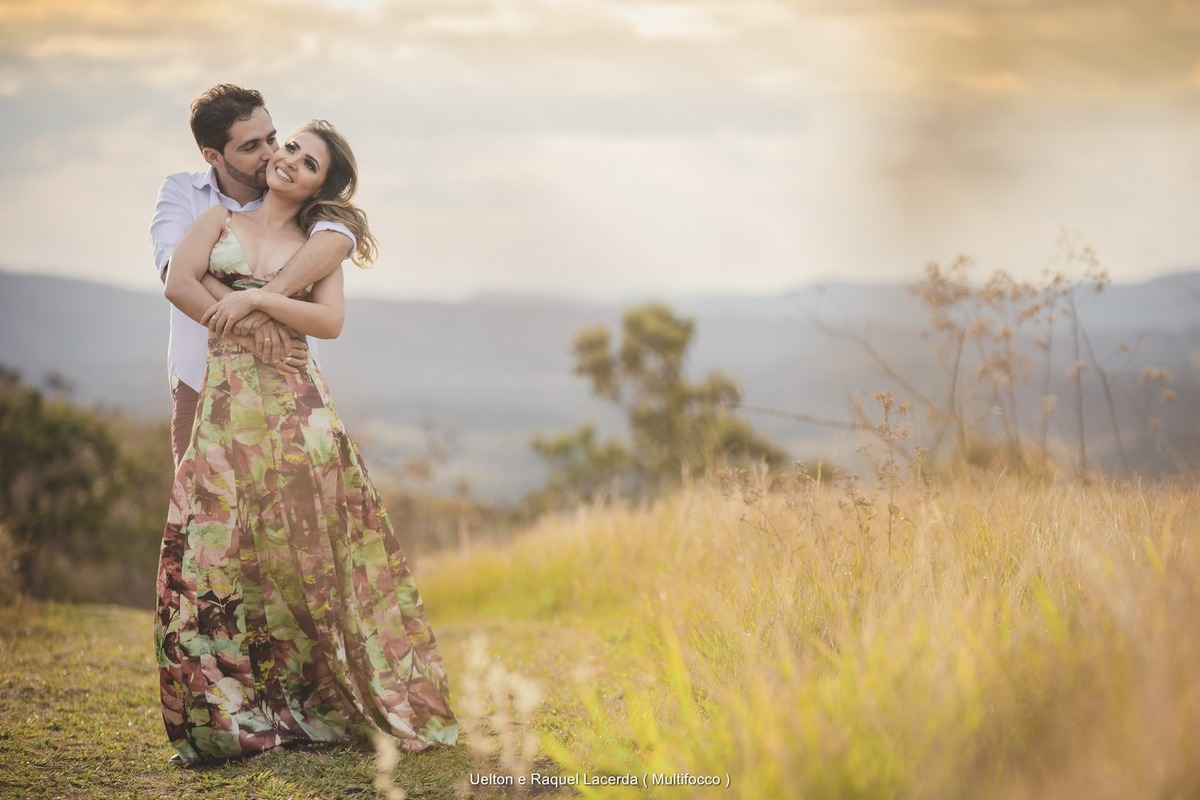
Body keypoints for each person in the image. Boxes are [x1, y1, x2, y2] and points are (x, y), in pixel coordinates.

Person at [155, 119, 458, 765]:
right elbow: (177, 282)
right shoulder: (217, 222)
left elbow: (330, 321)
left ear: (324, 185)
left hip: (300, 413)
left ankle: (313, 703)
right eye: (288, 146)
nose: (288, 159)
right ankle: (225, 716)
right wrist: (242, 326)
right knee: (216, 552)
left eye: (309, 161)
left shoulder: (316, 242)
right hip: (230, 405)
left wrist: (257, 301)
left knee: (314, 558)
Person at [151, 84, 355, 466]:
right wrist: (255, 330)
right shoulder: (186, 194)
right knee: (207, 515)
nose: (269, 155)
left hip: (289, 384)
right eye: (250, 147)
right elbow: (174, 274)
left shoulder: (305, 212)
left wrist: (260, 298)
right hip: (202, 379)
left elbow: (340, 238)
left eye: (273, 139)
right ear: (214, 156)